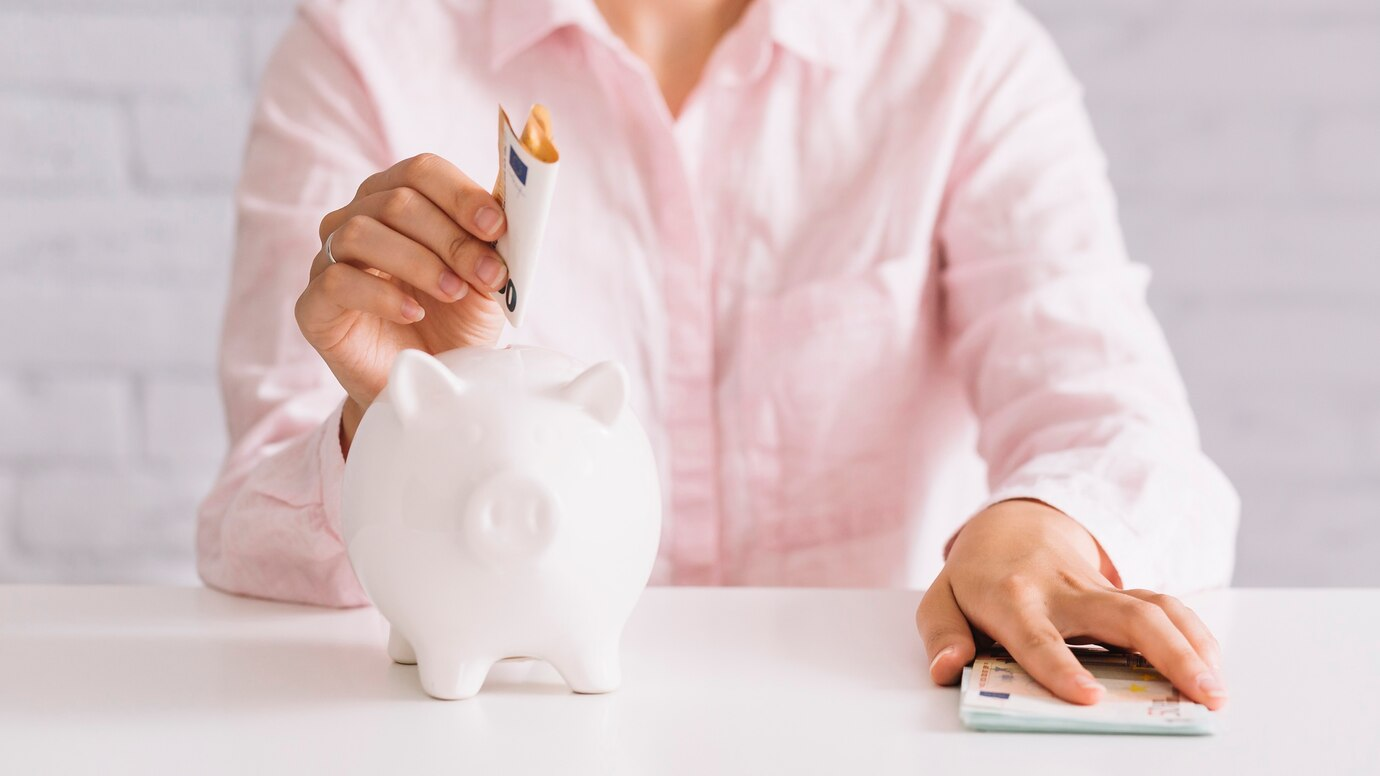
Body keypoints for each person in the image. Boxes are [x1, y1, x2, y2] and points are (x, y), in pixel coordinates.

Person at [198, 0, 1239, 710]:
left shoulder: (961, 51)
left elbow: (1121, 425)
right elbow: (250, 528)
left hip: (875, 720)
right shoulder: (366, 48)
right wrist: (389, 424)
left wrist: (1037, 525)